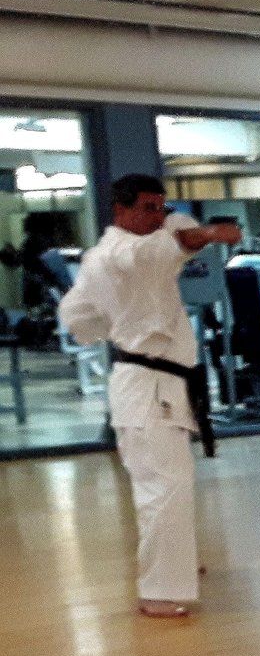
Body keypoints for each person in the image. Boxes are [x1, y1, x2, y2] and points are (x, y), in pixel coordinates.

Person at [57, 174, 241, 618]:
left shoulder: (116, 257)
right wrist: (211, 233)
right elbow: (171, 244)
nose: (156, 217)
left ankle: (175, 564)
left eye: (160, 207)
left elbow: (74, 315)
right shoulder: (122, 254)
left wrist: (114, 322)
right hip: (146, 387)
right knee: (163, 487)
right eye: (146, 208)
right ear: (119, 210)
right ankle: (158, 591)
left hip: (157, 383)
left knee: (172, 482)